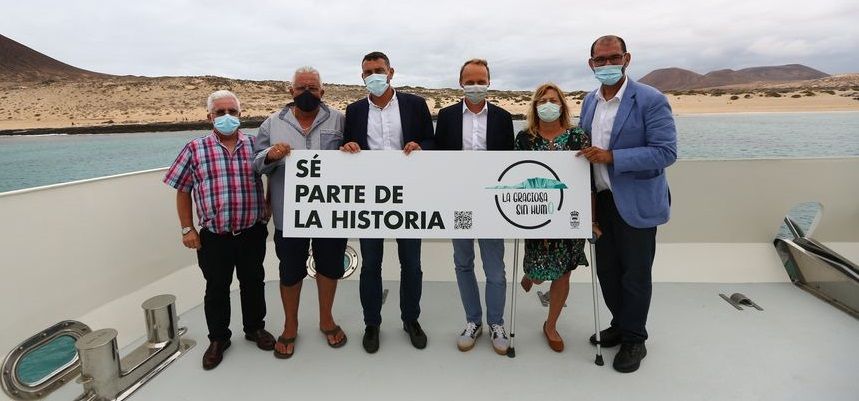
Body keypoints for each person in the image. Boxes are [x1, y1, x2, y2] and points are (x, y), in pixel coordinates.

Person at [577, 35, 677, 373]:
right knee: (607, 271)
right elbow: (582, 146)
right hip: (602, 201)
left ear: (627, 58)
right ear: (590, 63)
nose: (607, 65)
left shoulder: (650, 99)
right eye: (600, 60)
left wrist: (612, 157)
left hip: (636, 203)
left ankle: (635, 339)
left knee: (635, 274)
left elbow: (666, 152)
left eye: (613, 58)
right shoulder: (589, 102)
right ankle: (620, 323)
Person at [163, 90, 275, 370]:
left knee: (254, 282)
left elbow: (275, 176)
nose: (227, 117)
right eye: (221, 112)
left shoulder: (254, 146)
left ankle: (254, 328)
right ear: (210, 116)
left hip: (251, 231)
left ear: (240, 115)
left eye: (232, 112)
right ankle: (219, 339)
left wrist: (267, 209)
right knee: (216, 289)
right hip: (214, 237)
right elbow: (182, 190)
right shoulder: (194, 149)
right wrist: (187, 229)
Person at [340, 51, 435, 353]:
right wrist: (348, 146)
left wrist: (421, 146)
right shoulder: (353, 110)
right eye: (368, 72)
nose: (374, 76)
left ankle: (411, 319)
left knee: (412, 263)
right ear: (362, 76)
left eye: (379, 70)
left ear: (391, 72)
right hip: (369, 199)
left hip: (409, 197)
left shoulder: (415, 105)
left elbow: (432, 142)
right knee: (370, 265)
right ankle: (372, 323)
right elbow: (346, 147)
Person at [253, 67, 349, 359]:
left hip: (331, 213)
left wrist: (350, 148)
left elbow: (357, 157)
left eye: (313, 88)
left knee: (330, 267)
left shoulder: (339, 119)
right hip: (289, 214)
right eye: (301, 88)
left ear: (323, 91)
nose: (307, 93)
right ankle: (290, 324)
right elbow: (256, 164)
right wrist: (270, 155)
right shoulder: (271, 124)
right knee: (290, 270)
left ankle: (326, 320)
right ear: (290, 90)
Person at [435, 59, 514, 354]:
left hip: (492, 204)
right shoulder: (446, 116)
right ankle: (473, 321)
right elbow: (438, 158)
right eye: (470, 81)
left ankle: (496, 323)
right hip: (459, 202)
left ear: (489, 82)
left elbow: (509, 162)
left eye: (481, 80)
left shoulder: (504, 118)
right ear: (461, 83)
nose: (476, 86)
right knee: (463, 262)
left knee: (495, 268)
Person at [515, 83, 590, 353]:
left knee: (563, 273)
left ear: (562, 105)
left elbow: (587, 180)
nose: (548, 104)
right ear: (535, 106)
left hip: (569, 215)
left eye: (553, 100)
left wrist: (590, 219)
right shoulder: (524, 139)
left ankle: (551, 325)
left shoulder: (578, 137)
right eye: (543, 100)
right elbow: (516, 177)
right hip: (536, 215)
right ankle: (530, 276)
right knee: (537, 272)